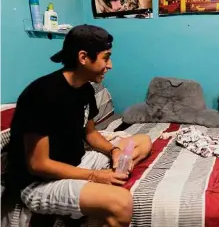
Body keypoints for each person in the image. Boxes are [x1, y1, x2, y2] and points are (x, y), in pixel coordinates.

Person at [3, 24, 152, 227]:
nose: (110, 66)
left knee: (143, 141)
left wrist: (114, 151)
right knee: (122, 203)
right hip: (39, 182)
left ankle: (109, 177)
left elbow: (90, 134)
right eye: (106, 58)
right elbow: (38, 165)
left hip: (76, 163)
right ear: (83, 58)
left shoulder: (85, 89)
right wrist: (95, 176)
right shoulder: (41, 94)